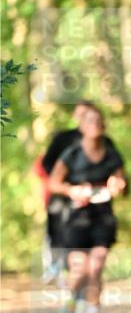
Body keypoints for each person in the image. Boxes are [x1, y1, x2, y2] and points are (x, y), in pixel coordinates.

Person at [48, 106, 127, 313]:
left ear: (104, 125)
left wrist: (117, 185)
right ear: (82, 127)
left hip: (103, 215)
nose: (95, 125)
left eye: (99, 121)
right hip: (76, 217)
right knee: (80, 269)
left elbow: (122, 180)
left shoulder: (111, 153)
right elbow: (53, 183)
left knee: (96, 267)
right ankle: (72, 299)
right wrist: (72, 191)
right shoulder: (72, 154)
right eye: (90, 121)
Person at [33, 99, 116, 280]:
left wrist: (112, 184)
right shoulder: (64, 139)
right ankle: (56, 267)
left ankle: (84, 280)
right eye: (81, 114)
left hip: (97, 204)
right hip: (64, 199)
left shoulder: (106, 142)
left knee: (94, 256)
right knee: (58, 232)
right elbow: (46, 165)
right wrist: (69, 187)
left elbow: (116, 171)